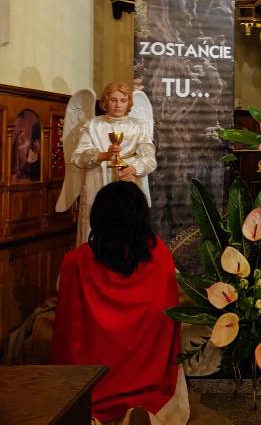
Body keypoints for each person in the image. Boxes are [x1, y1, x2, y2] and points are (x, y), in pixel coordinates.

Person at [51, 182, 188, 425]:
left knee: (77, 407)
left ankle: (94, 416)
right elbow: (167, 321)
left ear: (98, 216)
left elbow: (67, 327)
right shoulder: (159, 256)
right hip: (148, 373)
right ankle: (139, 410)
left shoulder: (76, 261)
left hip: (94, 379)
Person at [68, 82, 156, 244]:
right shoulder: (93, 125)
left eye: (123, 100)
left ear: (129, 102)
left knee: (127, 229)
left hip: (127, 184)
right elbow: (77, 157)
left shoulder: (137, 126)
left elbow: (150, 160)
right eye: (113, 100)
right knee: (98, 228)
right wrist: (103, 155)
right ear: (105, 101)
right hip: (97, 182)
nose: (118, 105)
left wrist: (134, 168)